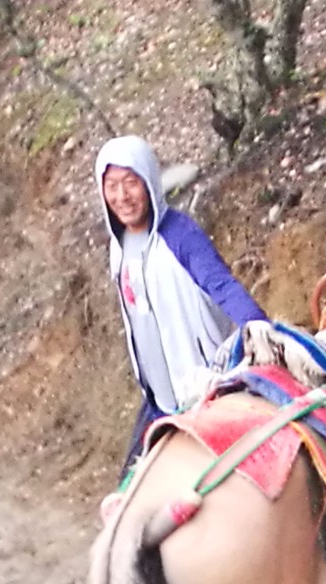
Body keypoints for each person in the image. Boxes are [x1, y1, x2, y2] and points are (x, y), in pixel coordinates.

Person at [95, 135, 267, 478]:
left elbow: (222, 285)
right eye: (112, 186)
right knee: (128, 489)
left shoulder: (180, 236)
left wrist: (260, 328)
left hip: (202, 388)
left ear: (149, 183)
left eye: (131, 183)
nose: (122, 196)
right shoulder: (119, 246)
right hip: (159, 399)